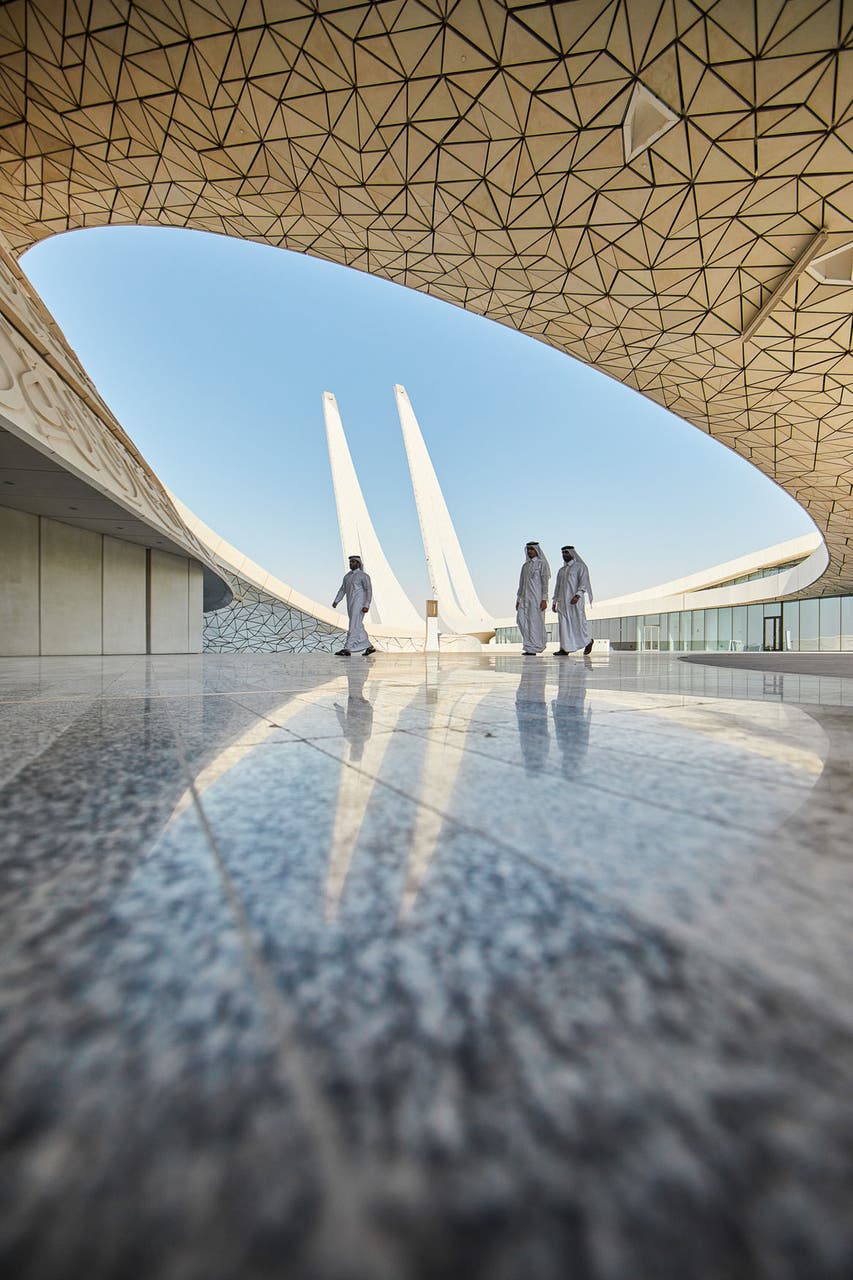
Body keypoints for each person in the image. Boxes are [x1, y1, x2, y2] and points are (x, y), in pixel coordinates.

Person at [552, 545, 594, 655]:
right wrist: (554, 601)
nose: (564, 555)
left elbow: (583, 582)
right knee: (563, 625)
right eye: (563, 553)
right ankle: (564, 649)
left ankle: (588, 641)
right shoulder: (561, 571)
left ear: (572, 553)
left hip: (575, 601)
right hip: (562, 603)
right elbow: (558, 587)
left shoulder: (580, 567)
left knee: (578, 623)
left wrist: (578, 595)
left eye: (566, 552)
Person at [332, 555, 376, 656]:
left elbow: (368, 590)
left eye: (353, 562)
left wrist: (366, 604)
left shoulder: (364, 576)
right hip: (350, 603)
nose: (351, 564)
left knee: (353, 624)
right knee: (357, 625)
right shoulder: (347, 576)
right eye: (350, 562)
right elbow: (343, 589)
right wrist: (336, 600)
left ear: (358, 563)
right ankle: (369, 647)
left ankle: (347, 648)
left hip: (360, 604)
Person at [516, 541, 550, 655]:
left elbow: (545, 583)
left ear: (537, 550)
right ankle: (529, 645)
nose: (530, 551)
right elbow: (521, 584)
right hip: (524, 599)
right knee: (521, 620)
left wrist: (544, 599)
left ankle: (536, 646)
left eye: (532, 549)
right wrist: (518, 599)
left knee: (535, 622)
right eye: (528, 549)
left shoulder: (542, 564)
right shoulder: (525, 566)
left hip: (537, 599)